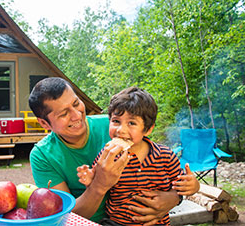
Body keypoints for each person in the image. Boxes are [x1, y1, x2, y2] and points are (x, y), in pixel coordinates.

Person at [28, 77, 199, 224]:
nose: (77, 115)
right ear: (44, 123)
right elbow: (65, 218)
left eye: (76, 103)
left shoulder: (114, 124)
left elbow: (158, 168)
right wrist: (98, 183)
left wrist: (174, 198)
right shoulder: (42, 156)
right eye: (64, 113)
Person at [76, 86, 199, 225]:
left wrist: (194, 186)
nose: (121, 130)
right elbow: (99, 179)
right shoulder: (107, 155)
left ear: (147, 129)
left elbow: (180, 187)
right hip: (117, 223)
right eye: (116, 121)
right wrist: (91, 178)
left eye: (132, 123)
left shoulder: (166, 157)